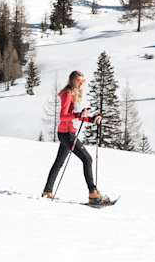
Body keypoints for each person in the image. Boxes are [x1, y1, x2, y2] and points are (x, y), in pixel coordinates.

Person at [41, 70, 111, 204]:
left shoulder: (72, 94)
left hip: (66, 133)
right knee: (87, 159)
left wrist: (91, 119)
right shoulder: (68, 94)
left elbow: (74, 115)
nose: (81, 84)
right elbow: (63, 116)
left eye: (83, 81)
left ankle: (47, 191)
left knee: (58, 163)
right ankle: (93, 194)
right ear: (73, 80)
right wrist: (79, 115)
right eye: (79, 81)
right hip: (67, 134)